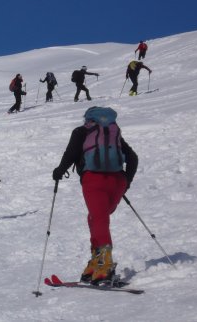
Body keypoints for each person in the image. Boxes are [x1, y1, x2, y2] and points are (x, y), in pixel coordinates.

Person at [51, 107, 138, 285]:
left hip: (94, 181)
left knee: (98, 219)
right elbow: (133, 158)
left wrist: (59, 171)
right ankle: (95, 262)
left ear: (88, 119)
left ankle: (104, 265)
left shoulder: (81, 132)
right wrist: (125, 183)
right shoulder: (114, 133)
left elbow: (70, 154)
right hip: (117, 182)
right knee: (95, 217)